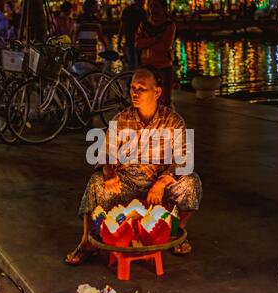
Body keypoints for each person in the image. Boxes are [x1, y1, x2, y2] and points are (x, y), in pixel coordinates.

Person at [65, 67, 202, 265]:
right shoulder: (121, 119)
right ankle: (87, 241)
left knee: (191, 182)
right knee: (95, 182)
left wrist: (162, 182)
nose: (135, 93)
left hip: (159, 183)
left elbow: (183, 158)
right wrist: (108, 171)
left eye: (142, 88)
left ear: (157, 92)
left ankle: (174, 232)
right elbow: (104, 154)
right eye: (132, 88)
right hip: (126, 181)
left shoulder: (173, 121)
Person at [135, 0, 176, 107]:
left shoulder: (169, 25)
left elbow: (164, 46)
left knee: (165, 100)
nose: (153, 9)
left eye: (156, 6)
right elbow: (137, 43)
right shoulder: (144, 24)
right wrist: (154, 39)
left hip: (163, 66)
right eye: (151, 6)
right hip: (146, 65)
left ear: (164, 8)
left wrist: (146, 42)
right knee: (146, 100)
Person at [117, 0, 148, 70]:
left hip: (139, 42)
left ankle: (133, 78)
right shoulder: (128, 11)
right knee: (132, 63)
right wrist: (119, 42)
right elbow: (122, 27)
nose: (143, 2)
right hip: (131, 41)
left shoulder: (143, 12)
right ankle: (132, 78)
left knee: (136, 63)